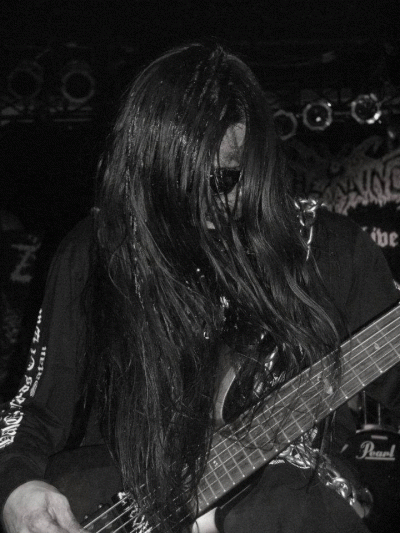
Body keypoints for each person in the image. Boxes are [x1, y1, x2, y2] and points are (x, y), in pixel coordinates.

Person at [1, 42, 400, 533]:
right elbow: (34, 411)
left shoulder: (333, 251)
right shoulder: (97, 252)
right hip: (124, 503)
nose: (198, 205)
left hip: (290, 508)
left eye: (223, 178)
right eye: (175, 185)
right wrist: (16, 487)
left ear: (256, 159)